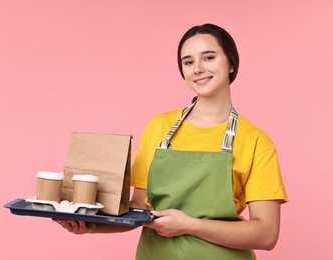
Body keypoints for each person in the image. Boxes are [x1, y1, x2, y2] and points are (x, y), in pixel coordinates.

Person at [54, 23, 288, 260]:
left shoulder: (256, 141)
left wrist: (189, 225)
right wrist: (91, 224)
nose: (197, 69)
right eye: (188, 62)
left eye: (208, 57)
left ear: (231, 63)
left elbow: (266, 234)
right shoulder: (159, 127)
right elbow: (139, 208)